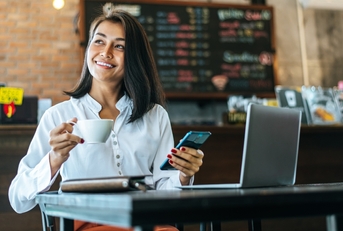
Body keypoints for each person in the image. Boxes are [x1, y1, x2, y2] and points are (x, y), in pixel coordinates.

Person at [8, 3, 205, 231]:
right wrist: (53, 160)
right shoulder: (59, 116)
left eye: (119, 46)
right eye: (99, 41)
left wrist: (182, 175)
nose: (106, 52)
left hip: (148, 221)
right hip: (88, 222)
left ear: (134, 57)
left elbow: (165, 193)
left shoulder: (155, 115)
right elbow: (18, 199)